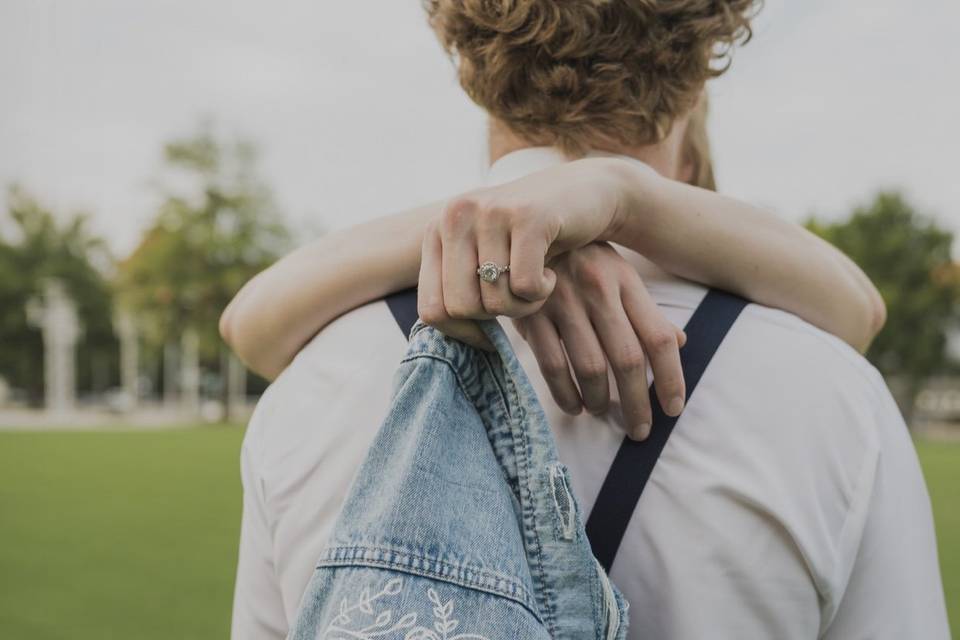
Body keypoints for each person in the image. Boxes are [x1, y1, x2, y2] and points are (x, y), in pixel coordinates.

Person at [223, 2, 949, 639]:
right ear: (698, 80)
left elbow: (247, 325)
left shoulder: (311, 385)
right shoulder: (833, 398)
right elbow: (861, 311)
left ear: (467, 62)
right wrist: (618, 198)